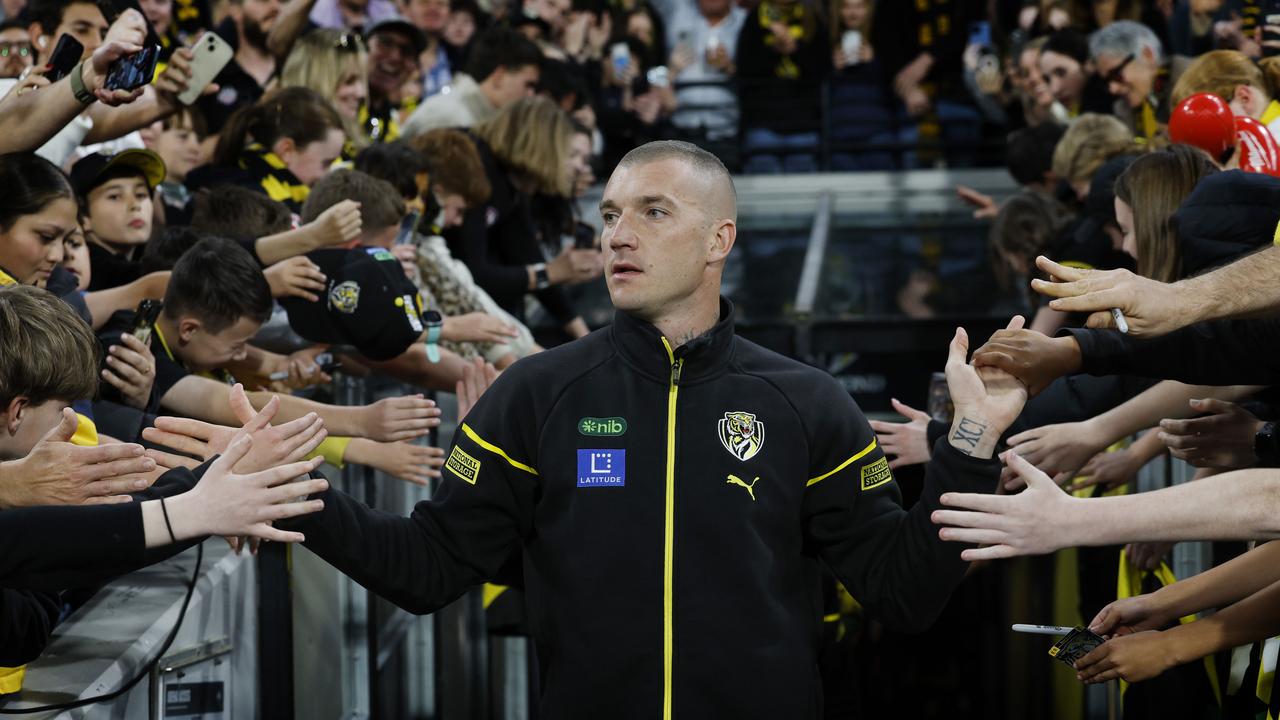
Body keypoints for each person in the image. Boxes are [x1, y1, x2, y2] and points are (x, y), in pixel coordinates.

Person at [242, 140, 1030, 716]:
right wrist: (295, 491)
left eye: (654, 212)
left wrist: (966, 450)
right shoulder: (536, 393)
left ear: (719, 239)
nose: (617, 235)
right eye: (611, 214)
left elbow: (905, 593)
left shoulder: (806, 402)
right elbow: (428, 567)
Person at [445, 97, 600, 339]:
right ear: (540, 143)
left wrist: (585, 337)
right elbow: (472, 273)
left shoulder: (511, 182)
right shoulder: (475, 164)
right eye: (569, 153)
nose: (579, 167)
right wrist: (548, 273)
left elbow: (526, 253)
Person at [193, 87, 346, 211]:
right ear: (287, 151)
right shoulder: (241, 199)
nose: (328, 175)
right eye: (326, 163)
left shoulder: (295, 198)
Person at [399, 26, 541, 138]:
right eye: (528, 85)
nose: (530, 95)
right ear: (500, 76)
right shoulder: (449, 116)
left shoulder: (478, 119)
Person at [195, 0, 280, 139]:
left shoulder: (296, 72)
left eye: (283, 1)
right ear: (235, 10)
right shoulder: (213, 77)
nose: (276, 7)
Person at [279, 28, 370, 150]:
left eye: (363, 81)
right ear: (315, 80)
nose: (362, 93)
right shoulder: (285, 148)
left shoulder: (358, 141)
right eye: (349, 82)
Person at [1089, 20, 1167, 142]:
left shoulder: (1196, 82)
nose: (1113, 88)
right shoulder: (1122, 113)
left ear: (1147, 55)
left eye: (1116, 75)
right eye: (1106, 81)